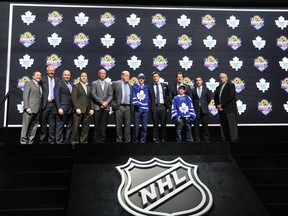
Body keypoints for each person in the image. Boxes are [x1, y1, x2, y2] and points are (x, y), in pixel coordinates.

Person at [214, 73, 238, 142]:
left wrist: (222, 105)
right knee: (223, 127)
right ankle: (225, 142)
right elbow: (215, 98)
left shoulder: (231, 85)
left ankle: (234, 141)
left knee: (231, 127)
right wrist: (218, 105)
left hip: (229, 110)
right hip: (221, 111)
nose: (221, 79)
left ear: (226, 78)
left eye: (223, 77)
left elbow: (230, 97)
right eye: (220, 78)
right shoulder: (218, 87)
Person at [71, 72, 94, 144]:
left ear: (87, 78)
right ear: (80, 77)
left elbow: (90, 99)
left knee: (85, 128)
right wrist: (76, 108)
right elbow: (73, 98)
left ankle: (83, 143)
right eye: (82, 76)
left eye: (85, 76)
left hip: (87, 111)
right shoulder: (76, 86)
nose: (84, 77)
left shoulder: (89, 87)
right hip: (78, 110)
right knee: (75, 128)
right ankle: (74, 144)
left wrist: (92, 108)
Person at [91, 69, 113, 143]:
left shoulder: (109, 84)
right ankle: (96, 140)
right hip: (97, 107)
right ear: (98, 74)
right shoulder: (94, 83)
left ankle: (103, 140)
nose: (103, 75)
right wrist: (101, 103)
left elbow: (111, 95)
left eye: (104, 73)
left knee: (104, 125)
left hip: (106, 107)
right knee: (96, 125)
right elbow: (93, 94)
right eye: (101, 73)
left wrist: (106, 103)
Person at [20, 71, 42, 144]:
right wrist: (27, 107)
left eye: (40, 75)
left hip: (38, 110)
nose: (39, 77)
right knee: (26, 127)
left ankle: (30, 142)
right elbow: (25, 97)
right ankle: (23, 142)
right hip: (29, 109)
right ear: (33, 76)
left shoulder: (40, 86)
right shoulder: (28, 83)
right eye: (37, 75)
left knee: (34, 127)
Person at [39, 65, 60, 144]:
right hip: (45, 105)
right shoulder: (42, 80)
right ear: (47, 71)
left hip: (54, 105)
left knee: (52, 124)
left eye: (53, 70)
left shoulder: (58, 80)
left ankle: (51, 141)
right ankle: (42, 141)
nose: (51, 72)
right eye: (50, 70)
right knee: (43, 124)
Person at [111, 71, 132, 143]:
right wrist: (113, 104)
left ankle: (127, 142)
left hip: (128, 107)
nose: (128, 77)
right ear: (122, 76)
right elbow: (111, 95)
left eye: (129, 76)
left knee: (127, 126)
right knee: (118, 126)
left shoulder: (130, 86)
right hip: (119, 107)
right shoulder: (116, 83)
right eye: (126, 75)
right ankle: (119, 142)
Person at [149, 71, 170, 143]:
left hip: (163, 107)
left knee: (163, 124)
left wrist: (167, 106)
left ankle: (164, 139)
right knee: (155, 125)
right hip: (155, 107)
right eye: (154, 77)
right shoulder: (150, 87)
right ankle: (155, 139)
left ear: (159, 77)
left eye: (156, 76)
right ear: (152, 78)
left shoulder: (164, 85)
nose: (155, 78)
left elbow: (167, 96)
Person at [54, 70, 73, 144]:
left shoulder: (71, 84)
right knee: (60, 127)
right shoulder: (59, 84)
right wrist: (59, 108)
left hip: (71, 109)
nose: (67, 76)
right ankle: (59, 143)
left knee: (69, 127)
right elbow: (56, 96)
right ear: (62, 76)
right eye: (65, 75)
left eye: (68, 75)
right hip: (62, 109)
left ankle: (67, 142)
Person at [191, 76, 211, 142]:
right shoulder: (193, 90)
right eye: (197, 80)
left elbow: (209, 99)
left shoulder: (206, 89)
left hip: (204, 110)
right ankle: (197, 140)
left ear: (202, 81)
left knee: (205, 126)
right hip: (196, 110)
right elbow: (192, 99)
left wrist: (204, 105)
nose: (198, 82)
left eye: (199, 80)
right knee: (196, 126)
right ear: (195, 82)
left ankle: (206, 140)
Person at [132, 73, 149, 143]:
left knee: (144, 126)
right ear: (138, 79)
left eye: (143, 78)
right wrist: (138, 103)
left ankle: (143, 141)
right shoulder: (134, 86)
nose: (141, 79)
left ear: (144, 79)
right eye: (140, 78)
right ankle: (135, 141)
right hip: (137, 109)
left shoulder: (147, 87)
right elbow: (133, 95)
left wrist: (143, 103)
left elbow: (147, 97)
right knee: (136, 126)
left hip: (145, 109)